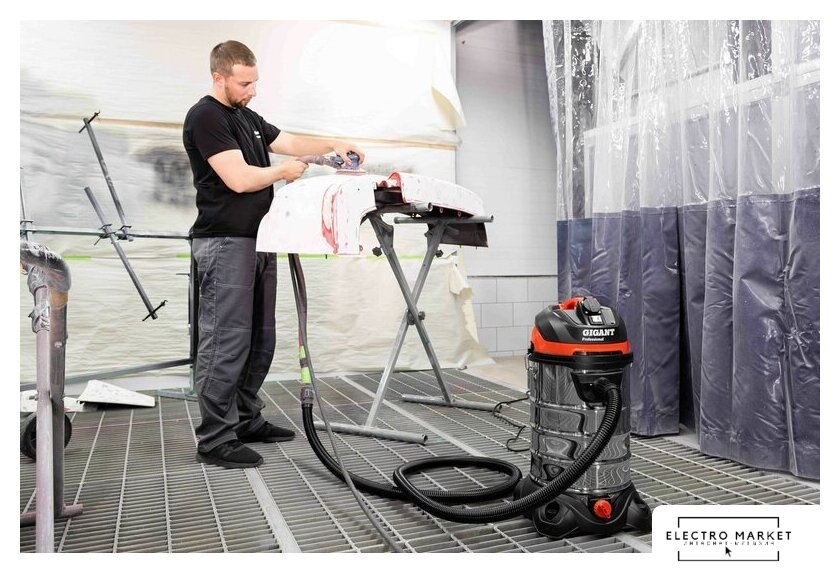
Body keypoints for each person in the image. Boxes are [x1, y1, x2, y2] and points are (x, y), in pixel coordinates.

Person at [183, 40, 365, 468]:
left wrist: (335, 144)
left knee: (260, 338)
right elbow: (239, 179)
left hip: (260, 239)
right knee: (225, 340)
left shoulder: (246, 116)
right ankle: (215, 439)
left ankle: (246, 419)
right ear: (218, 77)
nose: (252, 91)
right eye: (244, 84)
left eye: (254, 82)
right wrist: (282, 171)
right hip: (225, 241)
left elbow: (289, 141)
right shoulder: (206, 116)